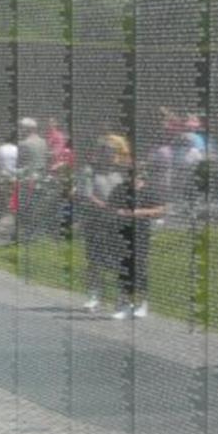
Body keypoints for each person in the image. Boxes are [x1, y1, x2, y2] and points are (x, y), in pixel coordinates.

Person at [108, 160, 166, 320]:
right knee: (123, 267)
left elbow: (160, 209)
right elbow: (111, 206)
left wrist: (137, 212)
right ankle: (125, 304)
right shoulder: (120, 189)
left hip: (140, 233)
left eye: (135, 173)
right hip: (122, 231)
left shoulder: (149, 190)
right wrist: (118, 211)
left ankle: (142, 303)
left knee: (139, 267)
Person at [79, 134, 130, 313]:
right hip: (95, 220)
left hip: (117, 221)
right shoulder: (89, 170)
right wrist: (107, 207)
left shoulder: (119, 172)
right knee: (94, 259)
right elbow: (86, 195)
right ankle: (94, 296)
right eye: (107, 151)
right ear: (99, 152)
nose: (110, 155)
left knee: (120, 260)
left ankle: (122, 297)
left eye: (113, 152)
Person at [16, 117, 49, 240]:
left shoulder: (24, 144)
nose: (20, 130)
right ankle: (39, 231)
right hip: (42, 177)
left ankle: (29, 233)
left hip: (28, 178)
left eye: (22, 127)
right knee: (38, 205)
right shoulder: (43, 142)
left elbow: (20, 163)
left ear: (29, 129)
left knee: (27, 206)